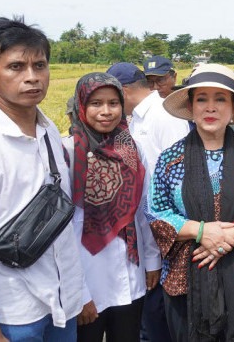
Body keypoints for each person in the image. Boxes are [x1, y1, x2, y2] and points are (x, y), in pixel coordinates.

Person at [147, 64, 234, 342]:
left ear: (233, 107)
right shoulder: (169, 159)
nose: (211, 107)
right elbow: (156, 213)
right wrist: (200, 231)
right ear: (191, 106)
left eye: (220, 99)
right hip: (185, 279)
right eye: (202, 99)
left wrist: (233, 234)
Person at [0, 17, 83, 341]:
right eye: (16, 67)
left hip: (63, 304)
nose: (32, 77)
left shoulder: (48, 128)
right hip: (12, 313)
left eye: (40, 65)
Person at [63, 72, 161, 341]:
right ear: (81, 106)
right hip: (87, 278)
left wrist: (151, 260)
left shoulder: (133, 149)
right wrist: (79, 293)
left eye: (113, 103)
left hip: (130, 272)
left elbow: (143, 209)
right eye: (95, 104)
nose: (105, 112)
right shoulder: (67, 153)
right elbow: (62, 231)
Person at [107, 62, 189, 342]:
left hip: (167, 230)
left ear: (124, 90)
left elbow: (181, 175)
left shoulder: (164, 116)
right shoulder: (137, 118)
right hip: (146, 229)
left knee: (159, 317)